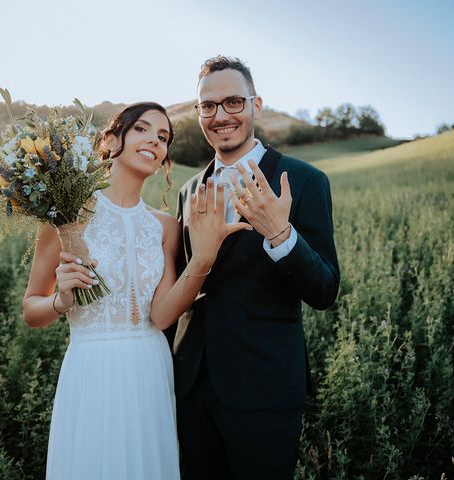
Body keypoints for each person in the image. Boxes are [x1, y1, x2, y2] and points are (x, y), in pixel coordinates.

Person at [22, 102, 250, 479]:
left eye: (163, 137)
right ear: (112, 140)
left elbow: (160, 316)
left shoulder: (164, 226)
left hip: (150, 370)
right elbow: (31, 309)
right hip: (92, 370)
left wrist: (203, 261)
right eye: (142, 129)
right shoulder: (65, 214)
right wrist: (61, 300)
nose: (154, 141)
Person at [172, 56, 340, 479]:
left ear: (256, 105)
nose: (220, 115)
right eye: (207, 106)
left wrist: (282, 235)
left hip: (263, 388)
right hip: (191, 386)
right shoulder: (190, 189)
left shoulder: (303, 180)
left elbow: (324, 290)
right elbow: (178, 283)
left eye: (233, 102)